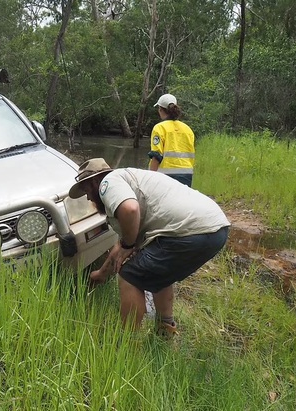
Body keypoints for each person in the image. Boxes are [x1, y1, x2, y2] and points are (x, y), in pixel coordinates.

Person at [69, 158, 230, 336]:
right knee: (157, 272)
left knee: (130, 274)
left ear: (94, 181)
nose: (88, 197)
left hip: (190, 232)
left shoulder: (108, 182)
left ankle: (127, 343)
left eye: (86, 190)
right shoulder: (132, 179)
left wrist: (128, 244)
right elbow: (120, 247)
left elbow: (130, 210)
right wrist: (101, 274)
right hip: (216, 229)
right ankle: (165, 330)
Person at [148, 93, 196, 187]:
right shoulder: (187, 129)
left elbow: (156, 156)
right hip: (186, 175)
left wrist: (149, 179)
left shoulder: (159, 128)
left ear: (160, 109)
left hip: (165, 176)